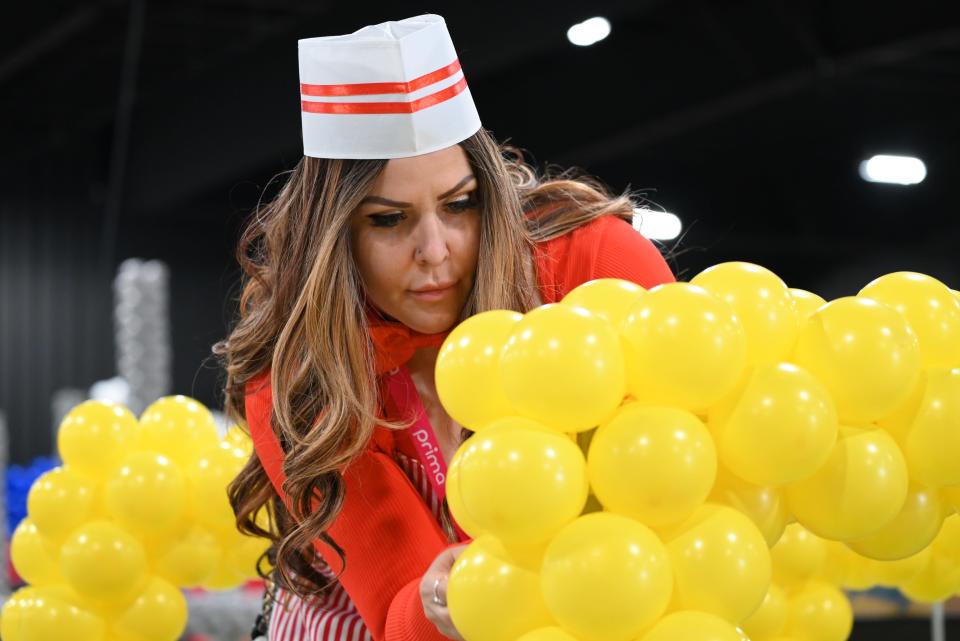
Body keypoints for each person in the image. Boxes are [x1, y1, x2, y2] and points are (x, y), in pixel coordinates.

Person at [215, 14, 676, 641]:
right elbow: (394, 605)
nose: (434, 250)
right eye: (387, 221)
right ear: (335, 238)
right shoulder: (300, 377)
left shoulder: (592, 262)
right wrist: (441, 599)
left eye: (459, 205)